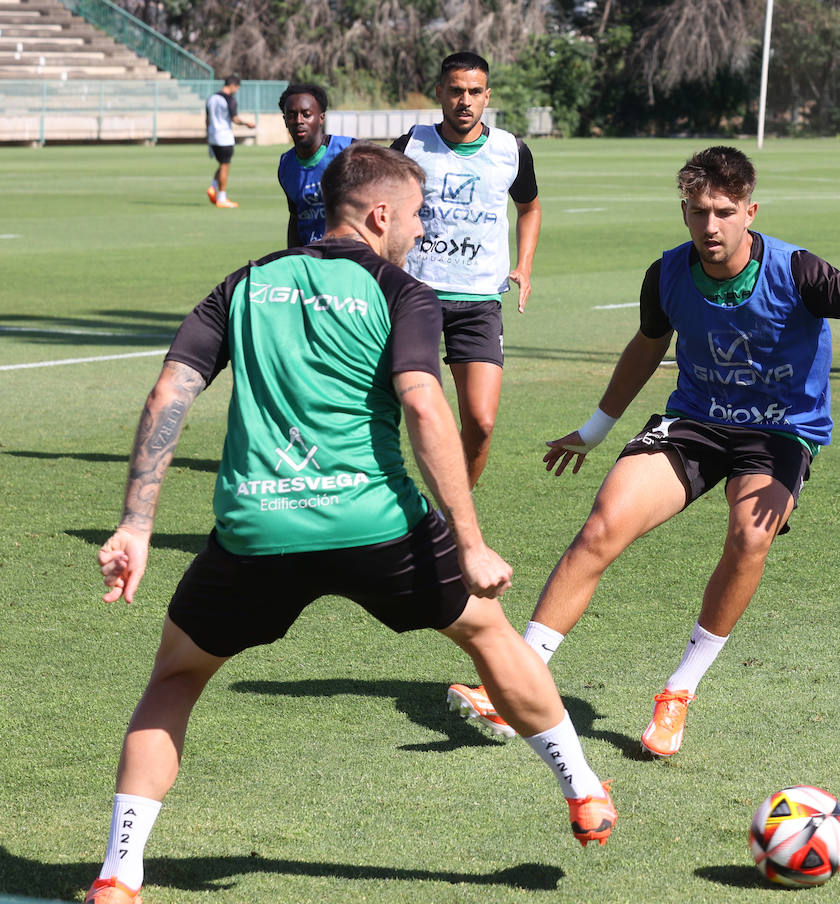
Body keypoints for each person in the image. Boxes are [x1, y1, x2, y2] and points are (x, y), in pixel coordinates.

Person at [82, 144, 614, 904]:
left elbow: (169, 392)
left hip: (256, 531)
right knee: (489, 632)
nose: (424, 228)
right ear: (379, 214)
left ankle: (118, 873)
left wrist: (136, 525)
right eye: (418, 213)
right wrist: (469, 540)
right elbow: (426, 405)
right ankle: (584, 788)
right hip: (376, 525)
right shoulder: (404, 291)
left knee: (176, 677)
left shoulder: (244, 283)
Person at [447, 146, 840, 758]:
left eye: (722, 212)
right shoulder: (665, 273)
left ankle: (679, 692)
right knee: (602, 526)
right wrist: (595, 428)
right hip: (694, 422)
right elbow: (646, 348)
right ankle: (518, 681)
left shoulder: (797, 271)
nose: (709, 227)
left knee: (749, 539)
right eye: (696, 212)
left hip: (778, 431)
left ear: (750, 210)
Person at [390, 51, 541, 487]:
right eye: (455, 90)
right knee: (405, 411)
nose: (464, 101)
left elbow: (529, 209)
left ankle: (453, 514)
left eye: (475, 92)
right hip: (414, 298)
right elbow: (378, 206)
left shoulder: (511, 151)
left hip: (478, 302)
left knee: (481, 422)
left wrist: (525, 266)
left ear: (487, 96)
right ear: (439, 92)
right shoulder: (410, 146)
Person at [277, 83, 355, 246]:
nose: (299, 121)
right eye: (291, 115)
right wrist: (294, 257)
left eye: (306, 114)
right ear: (285, 121)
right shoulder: (286, 165)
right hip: (312, 257)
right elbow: (296, 216)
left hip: (350, 257)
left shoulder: (350, 150)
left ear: (321, 117)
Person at [204, 75, 256, 209]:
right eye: (237, 87)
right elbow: (235, 119)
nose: (236, 90)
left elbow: (207, 119)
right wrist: (247, 123)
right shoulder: (230, 100)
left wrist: (208, 136)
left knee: (222, 164)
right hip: (224, 137)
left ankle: (213, 187)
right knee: (225, 166)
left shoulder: (211, 98)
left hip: (213, 136)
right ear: (232, 85)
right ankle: (221, 198)